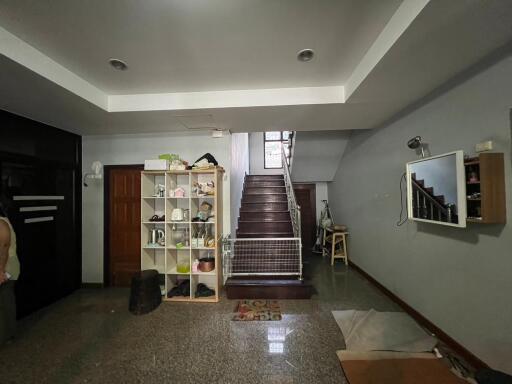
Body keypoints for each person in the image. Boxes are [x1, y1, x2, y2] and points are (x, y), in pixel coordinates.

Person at [0, 200, 20, 345]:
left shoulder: (1, 224)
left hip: (6, 267)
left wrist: (1, 271)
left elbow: (3, 251)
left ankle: (7, 335)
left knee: (5, 302)